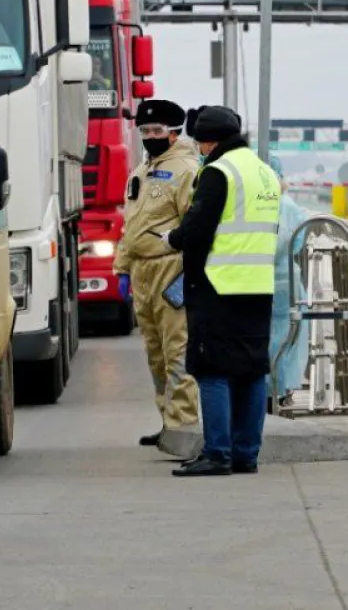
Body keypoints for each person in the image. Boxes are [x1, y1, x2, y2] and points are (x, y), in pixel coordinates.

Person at [163, 106, 280, 477]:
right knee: (250, 369)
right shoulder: (264, 172)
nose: (198, 148)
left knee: (211, 368)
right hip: (258, 284)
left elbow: (198, 229)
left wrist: (172, 239)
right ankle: (247, 453)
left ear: (209, 142)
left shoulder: (218, 171)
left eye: (199, 143)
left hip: (219, 283)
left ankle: (217, 452)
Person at [113, 99, 201, 447]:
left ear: (173, 133)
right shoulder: (142, 170)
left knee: (177, 349)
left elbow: (190, 225)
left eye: (156, 131)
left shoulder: (186, 170)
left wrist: (185, 275)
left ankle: (184, 425)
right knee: (155, 352)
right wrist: (122, 267)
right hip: (141, 269)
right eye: (145, 131)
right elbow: (131, 225)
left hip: (169, 267)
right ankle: (168, 421)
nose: (149, 136)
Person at [268, 156, 312, 405]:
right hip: (288, 281)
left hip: (257, 279)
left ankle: (263, 390)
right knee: (287, 336)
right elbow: (298, 243)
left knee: (261, 336)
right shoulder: (292, 207)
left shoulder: (253, 204)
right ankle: (283, 389)